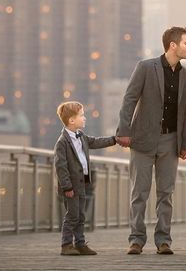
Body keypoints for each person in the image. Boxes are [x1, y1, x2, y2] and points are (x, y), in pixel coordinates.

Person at [116, 26, 186, 255]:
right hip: (142, 139)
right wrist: (124, 131)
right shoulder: (145, 67)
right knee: (139, 192)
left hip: (171, 141)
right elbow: (129, 99)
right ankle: (136, 240)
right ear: (173, 45)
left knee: (166, 193)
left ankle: (163, 241)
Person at [54, 101, 117, 256]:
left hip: (82, 183)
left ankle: (80, 243)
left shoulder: (81, 137)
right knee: (72, 215)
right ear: (71, 120)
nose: (85, 118)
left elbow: (96, 142)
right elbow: (61, 167)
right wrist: (67, 187)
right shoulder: (62, 142)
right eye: (82, 115)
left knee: (81, 215)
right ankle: (66, 244)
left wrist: (114, 139)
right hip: (71, 187)